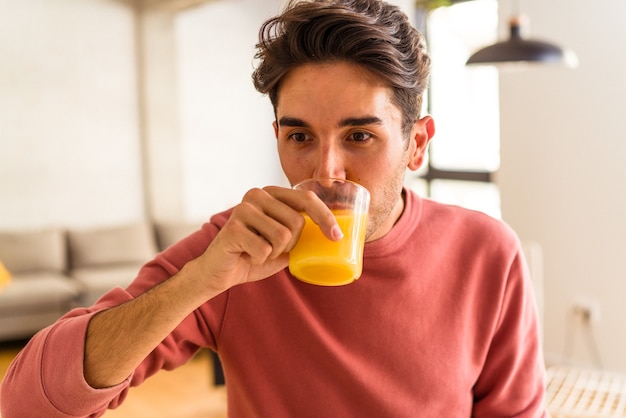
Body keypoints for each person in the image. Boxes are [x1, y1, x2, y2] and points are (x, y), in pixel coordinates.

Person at [0, 0, 548, 416]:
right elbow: (25, 401)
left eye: (359, 135)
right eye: (300, 136)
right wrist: (199, 282)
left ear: (417, 145)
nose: (326, 170)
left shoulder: (487, 252)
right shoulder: (234, 249)